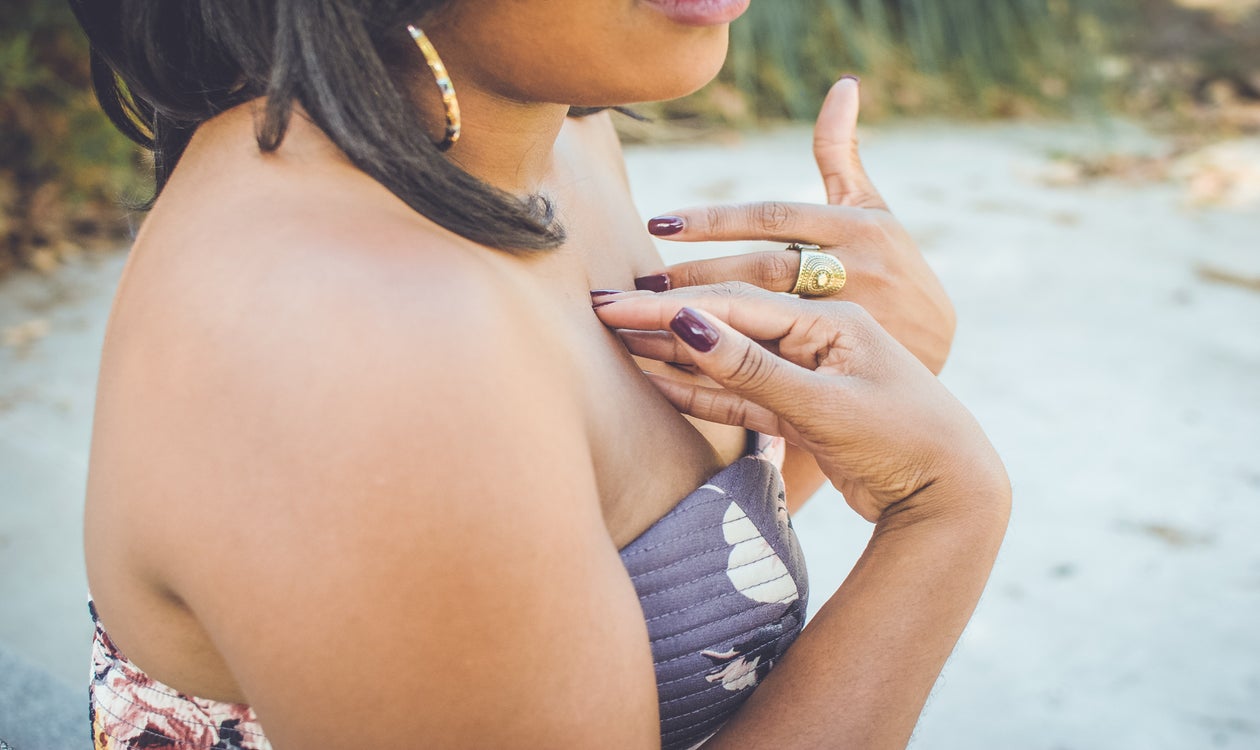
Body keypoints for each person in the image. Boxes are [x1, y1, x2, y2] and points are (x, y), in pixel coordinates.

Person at [71, 0, 1010, 748]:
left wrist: (849, 386)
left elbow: (647, 572)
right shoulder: (357, 340)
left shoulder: (552, 132)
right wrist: (946, 514)